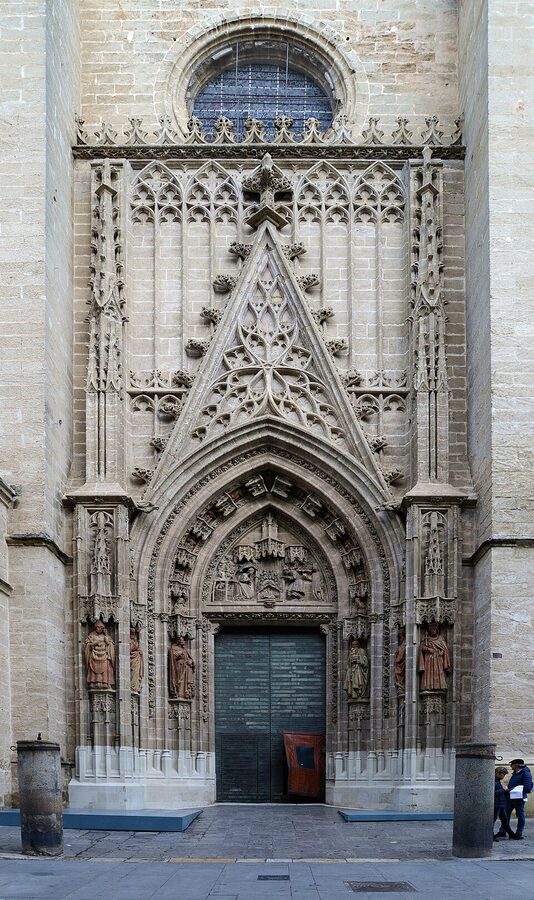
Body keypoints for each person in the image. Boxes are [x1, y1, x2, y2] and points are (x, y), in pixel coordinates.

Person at [500, 758, 533, 840]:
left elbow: (528, 788)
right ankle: (502, 831)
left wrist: (516, 791)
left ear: (517, 765)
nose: (511, 766)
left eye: (512, 764)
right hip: (510, 798)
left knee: (520, 815)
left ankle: (518, 833)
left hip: (519, 799)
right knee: (505, 815)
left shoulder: (525, 773)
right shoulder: (515, 773)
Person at [493, 767, 514, 841]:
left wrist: (506, 791)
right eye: (503, 774)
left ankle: (511, 834)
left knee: (505, 820)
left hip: (500, 804)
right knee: (493, 820)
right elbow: (494, 793)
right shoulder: (494, 781)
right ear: (498, 773)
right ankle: (490, 835)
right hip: (496, 804)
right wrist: (504, 790)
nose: (503, 776)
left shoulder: (498, 781)